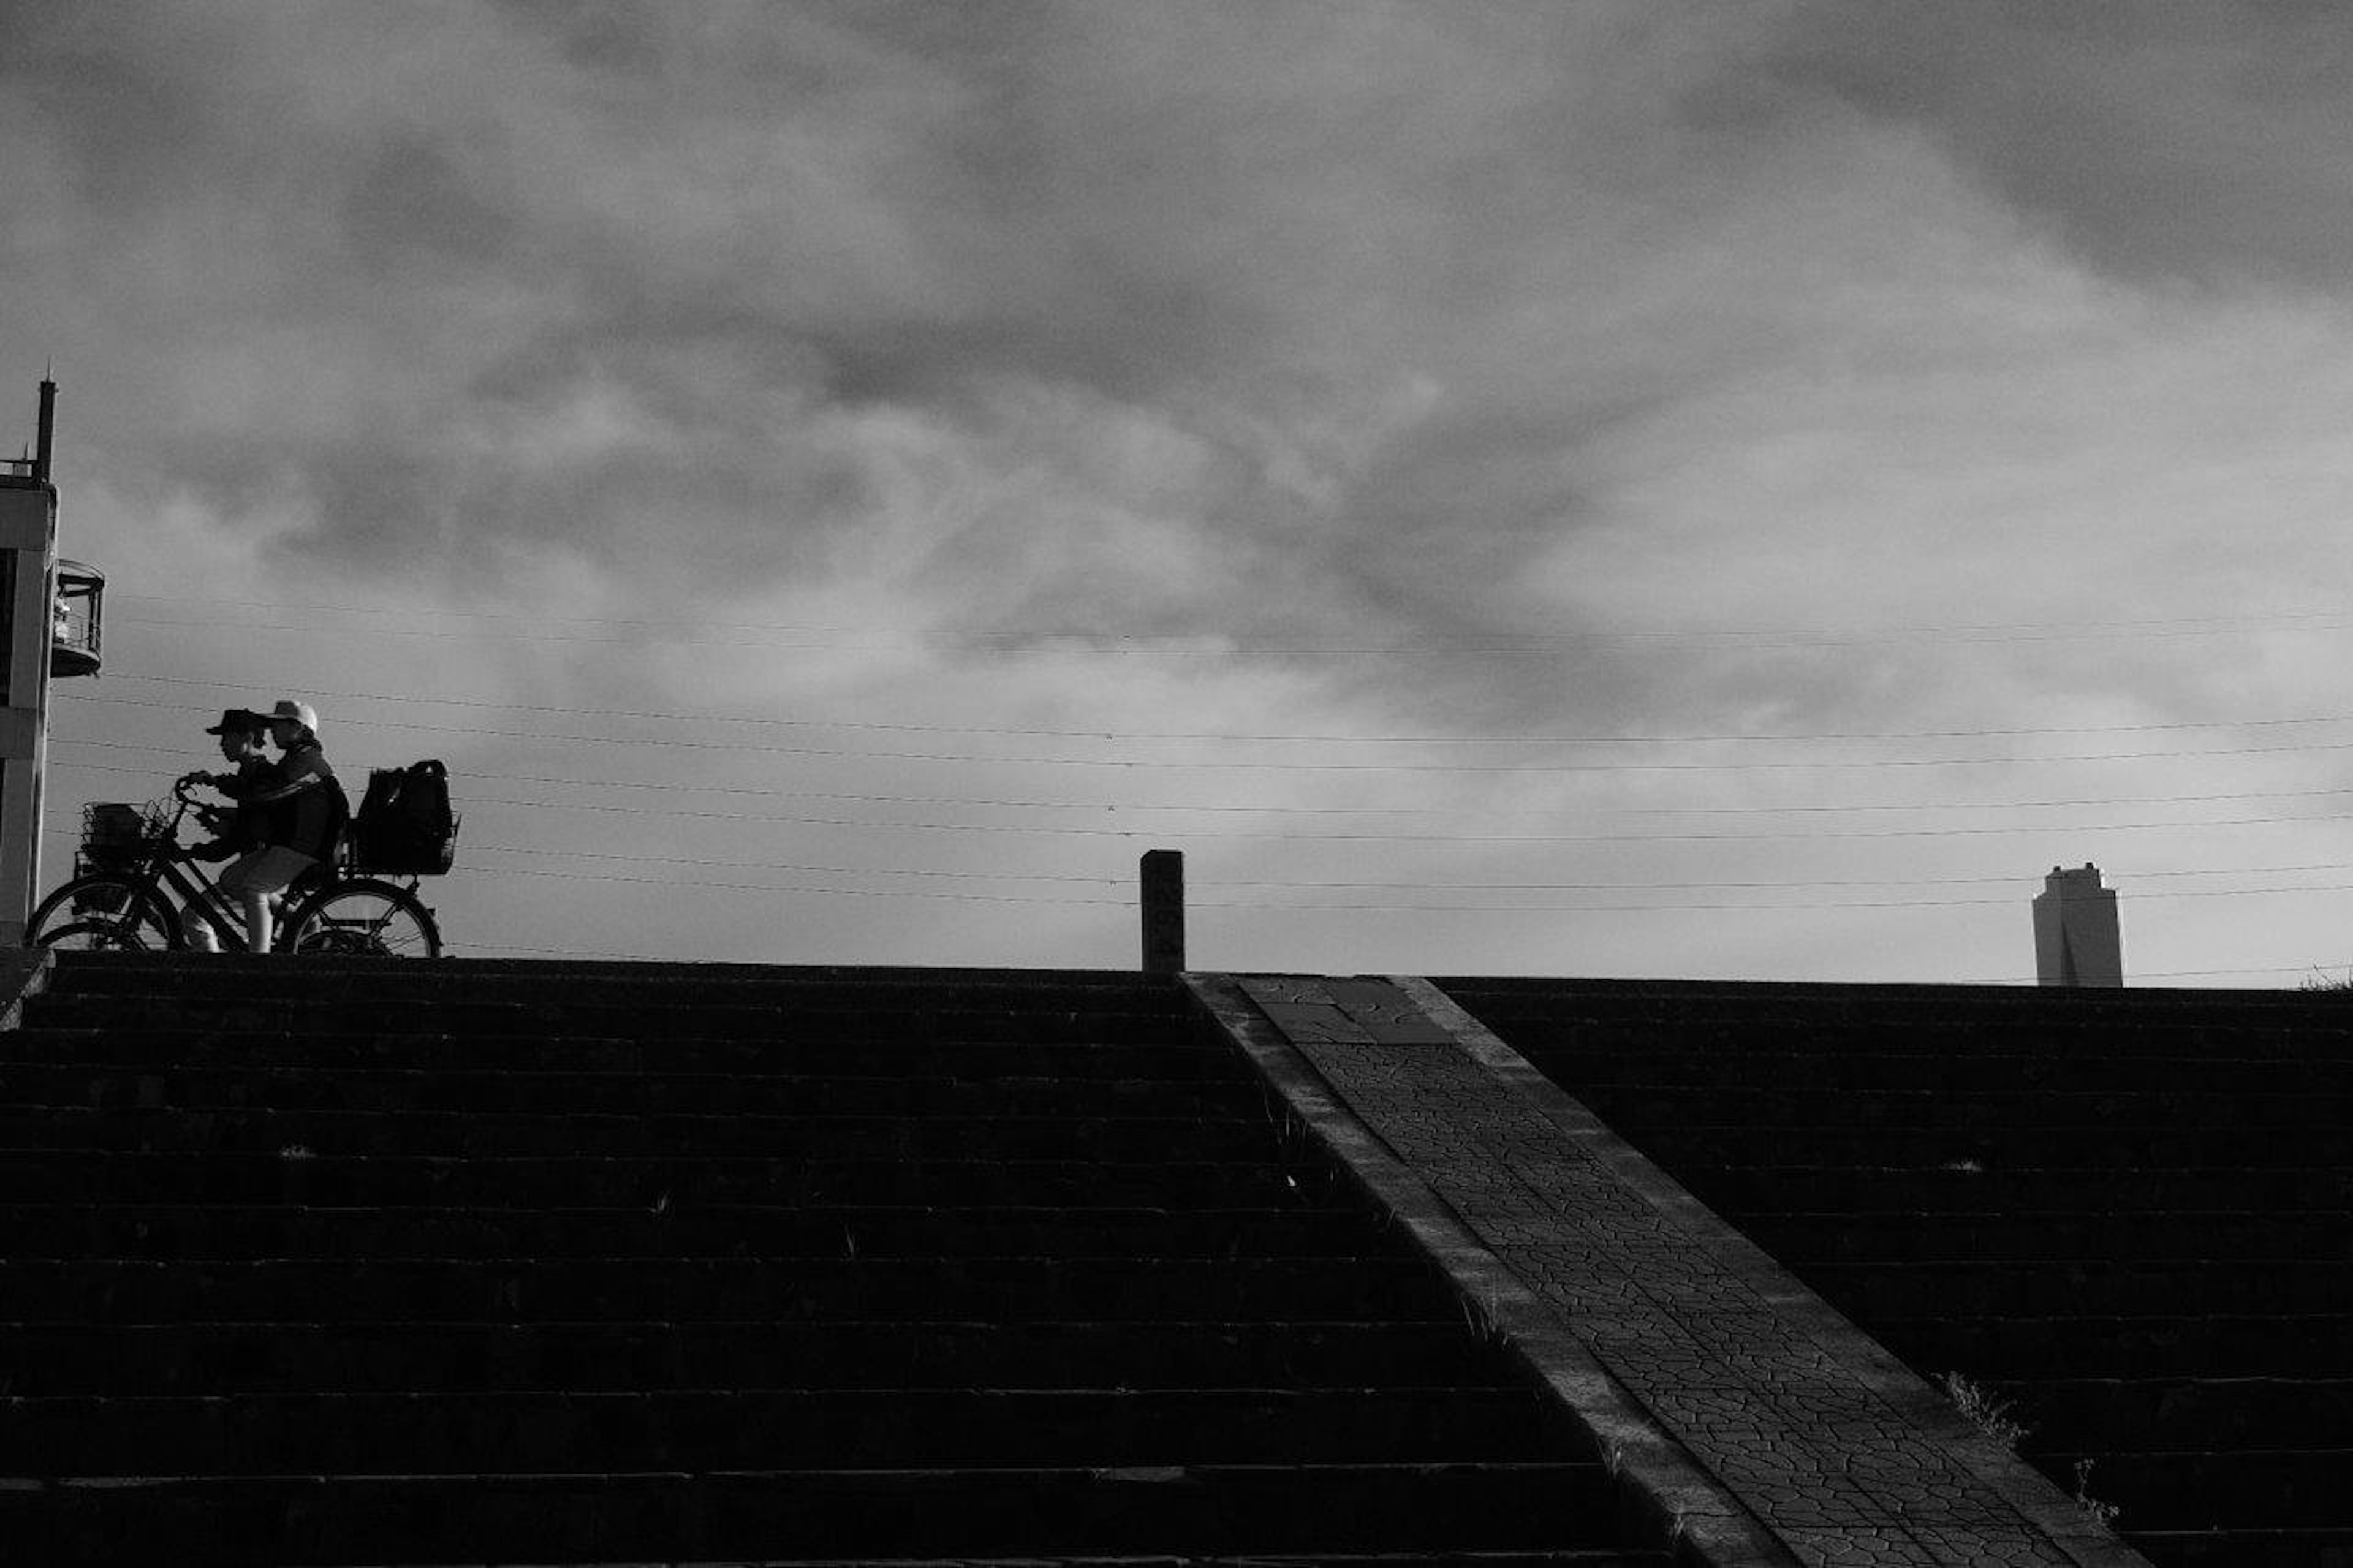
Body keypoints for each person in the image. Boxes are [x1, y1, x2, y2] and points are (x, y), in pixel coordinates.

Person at [214, 699, 349, 953]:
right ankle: (300, 920)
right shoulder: (295, 758)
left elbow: (268, 792)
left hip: (305, 846)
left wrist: (219, 783)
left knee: (255, 889)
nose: (272, 731)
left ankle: (260, 959)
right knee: (231, 880)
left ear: (298, 728)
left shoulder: (307, 760)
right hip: (288, 842)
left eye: (278, 725)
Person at [184, 708, 277, 953]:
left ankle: (216, 973)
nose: (222, 744)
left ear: (247, 737)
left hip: (262, 865)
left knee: (194, 915)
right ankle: (304, 922)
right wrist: (219, 820)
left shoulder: (260, 773)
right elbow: (246, 821)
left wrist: (213, 781)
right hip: (259, 864)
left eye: (227, 737)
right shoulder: (251, 771)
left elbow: (247, 828)